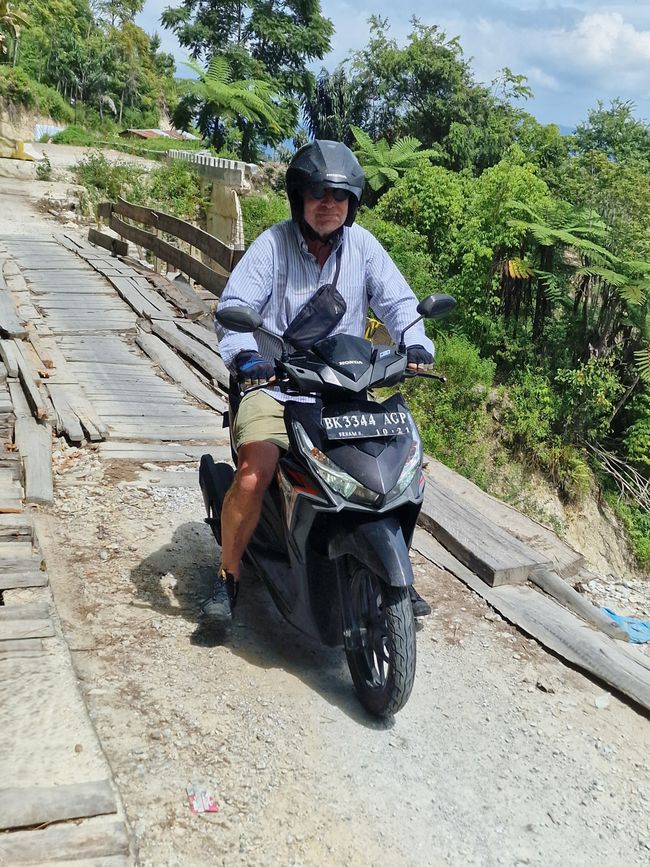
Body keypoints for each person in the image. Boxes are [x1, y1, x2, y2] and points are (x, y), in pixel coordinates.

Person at [202, 139, 435, 623]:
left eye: (339, 195)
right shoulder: (273, 245)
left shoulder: (363, 247)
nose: (328, 204)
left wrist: (415, 344)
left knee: (402, 466)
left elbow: (399, 305)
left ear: (352, 204)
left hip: (343, 388)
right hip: (276, 386)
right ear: (299, 198)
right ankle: (228, 577)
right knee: (254, 472)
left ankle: (392, 565)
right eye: (317, 193)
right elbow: (233, 308)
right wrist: (247, 357)